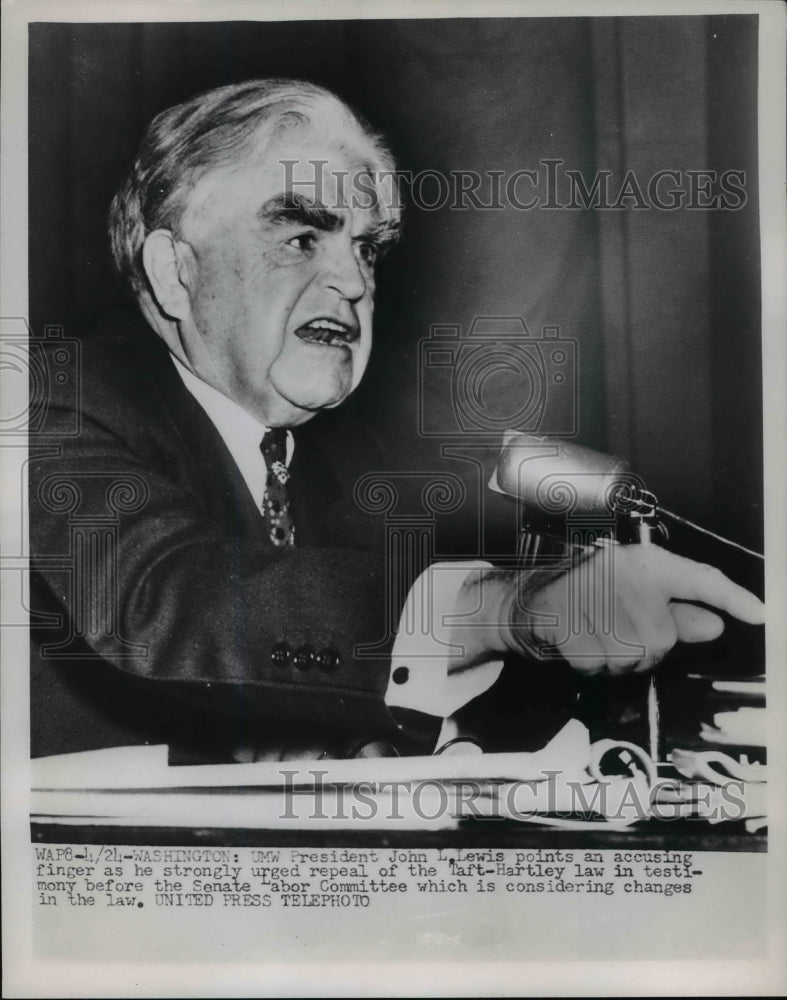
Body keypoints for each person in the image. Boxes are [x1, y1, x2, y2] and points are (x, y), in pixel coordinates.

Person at [29, 79, 764, 763]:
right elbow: (168, 600)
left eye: (366, 247)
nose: (352, 282)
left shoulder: (341, 460)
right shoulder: (49, 401)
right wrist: (507, 610)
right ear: (175, 271)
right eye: (299, 237)